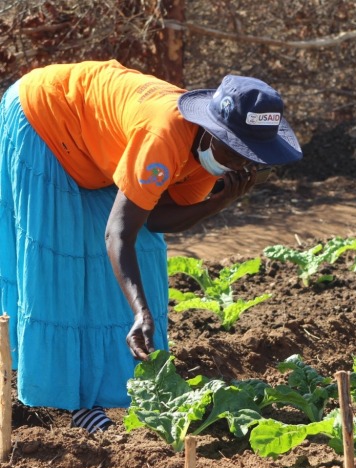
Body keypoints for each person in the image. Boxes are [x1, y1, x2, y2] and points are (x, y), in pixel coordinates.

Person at [0, 60, 302, 433]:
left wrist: (219, 201)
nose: (241, 165)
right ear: (212, 133)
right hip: (46, 118)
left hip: (95, 146)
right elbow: (118, 234)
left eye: (252, 159)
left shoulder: (213, 161)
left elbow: (153, 222)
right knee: (60, 261)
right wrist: (141, 312)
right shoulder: (164, 138)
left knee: (141, 260)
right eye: (237, 152)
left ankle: (109, 392)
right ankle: (75, 404)